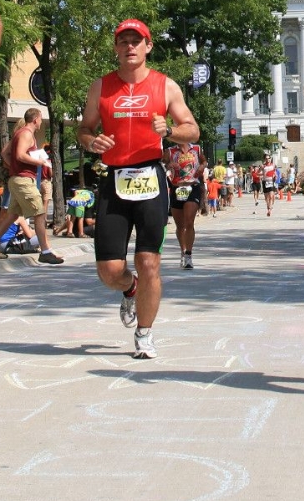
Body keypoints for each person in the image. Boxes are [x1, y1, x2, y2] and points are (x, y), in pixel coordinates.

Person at [76, 19, 200, 361]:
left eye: (137, 40)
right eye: (123, 41)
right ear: (116, 48)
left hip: (150, 177)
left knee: (149, 263)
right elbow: (84, 129)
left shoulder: (165, 86)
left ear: (148, 46)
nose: (130, 46)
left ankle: (144, 333)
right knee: (109, 272)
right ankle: (130, 289)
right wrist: (91, 141)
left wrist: (171, 130)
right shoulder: (100, 87)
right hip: (114, 180)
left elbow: (193, 130)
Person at [0, 108, 63, 265]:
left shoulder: (19, 133)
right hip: (24, 180)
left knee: (11, 215)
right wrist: (38, 162)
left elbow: (5, 153)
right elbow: (19, 154)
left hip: (18, 179)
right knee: (39, 213)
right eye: (40, 119)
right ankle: (45, 251)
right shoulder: (26, 133)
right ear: (36, 120)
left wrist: (14, 168)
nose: (41, 121)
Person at [166, 140, 204, 269]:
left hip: (192, 187)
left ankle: (188, 255)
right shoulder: (170, 151)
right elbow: (163, 164)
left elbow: (204, 161)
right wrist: (169, 164)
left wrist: (202, 166)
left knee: (189, 222)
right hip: (177, 187)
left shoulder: (197, 149)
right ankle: (182, 251)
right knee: (180, 225)